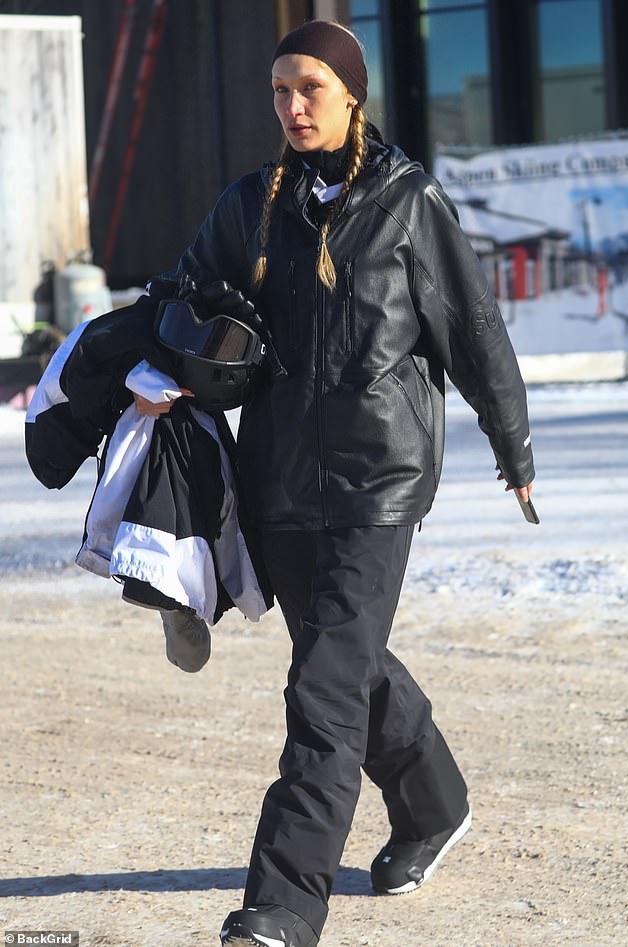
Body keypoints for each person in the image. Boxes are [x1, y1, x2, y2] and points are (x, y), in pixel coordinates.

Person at [134, 19, 535, 947]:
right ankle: (435, 803)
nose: (292, 105)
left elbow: (474, 331)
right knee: (343, 664)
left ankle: (280, 906)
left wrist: (513, 447)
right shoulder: (252, 206)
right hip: (278, 481)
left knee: (322, 688)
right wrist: (158, 366)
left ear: (353, 94)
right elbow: (181, 294)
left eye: (310, 87)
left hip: (377, 483)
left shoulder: (406, 203)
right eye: (279, 90)